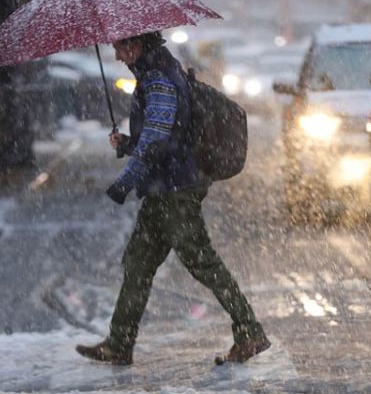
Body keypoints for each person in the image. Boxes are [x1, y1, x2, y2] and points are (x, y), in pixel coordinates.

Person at [76, 31, 270, 365]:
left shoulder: (159, 80)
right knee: (138, 263)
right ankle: (119, 343)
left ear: (136, 45)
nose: (118, 56)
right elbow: (160, 136)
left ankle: (250, 331)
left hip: (176, 190)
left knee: (203, 263)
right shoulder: (157, 74)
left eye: (120, 48)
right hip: (162, 190)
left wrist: (124, 182)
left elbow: (157, 140)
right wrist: (126, 144)